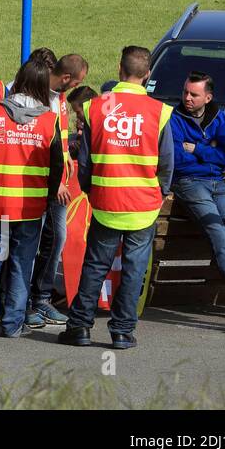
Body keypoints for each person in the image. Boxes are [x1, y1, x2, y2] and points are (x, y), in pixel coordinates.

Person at [59, 46, 174, 351]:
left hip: (106, 201)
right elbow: (167, 164)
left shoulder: (97, 107)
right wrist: (159, 193)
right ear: (147, 75)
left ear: (120, 70)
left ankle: (80, 327)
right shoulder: (159, 112)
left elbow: (85, 161)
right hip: (143, 206)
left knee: (95, 265)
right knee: (134, 269)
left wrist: (89, 189)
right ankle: (122, 332)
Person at [0, 59, 65, 338]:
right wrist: (47, 198)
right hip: (30, 208)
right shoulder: (48, 121)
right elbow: (57, 168)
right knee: (21, 266)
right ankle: (12, 324)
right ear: (43, 87)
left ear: (18, 81)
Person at [168, 71, 225, 312]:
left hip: (217, 181)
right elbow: (178, 160)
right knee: (219, 234)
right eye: (185, 92)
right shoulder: (173, 118)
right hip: (188, 182)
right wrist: (209, 151)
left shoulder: (219, 119)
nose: (187, 98)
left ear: (208, 97)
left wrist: (197, 150)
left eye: (194, 94)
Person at [25, 51, 87, 327]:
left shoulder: (60, 98)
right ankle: (27, 302)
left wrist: (66, 160)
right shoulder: (37, 96)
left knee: (56, 239)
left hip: (57, 180)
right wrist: (57, 180)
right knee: (35, 242)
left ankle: (41, 299)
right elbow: (38, 144)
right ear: (65, 78)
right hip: (42, 182)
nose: (76, 88)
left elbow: (58, 138)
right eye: (76, 82)